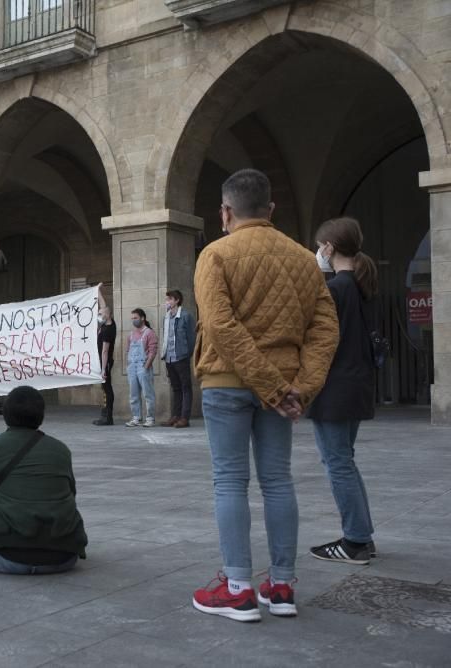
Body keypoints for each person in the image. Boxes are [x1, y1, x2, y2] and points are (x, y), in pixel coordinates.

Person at [191, 169, 338, 622]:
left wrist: (267, 385)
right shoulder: (302, 260)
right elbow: (325, 329)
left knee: (230, 481)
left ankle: (236, 588)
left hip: (227, 383)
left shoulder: (214, 255)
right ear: (271, 210)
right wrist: (299, 388)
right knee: (278, 480)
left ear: (225, 212)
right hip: (284, 390)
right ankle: (282, 586)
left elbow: (220, 326)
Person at [0, 386, 88, 574]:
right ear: (41, 415)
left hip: (10, 557)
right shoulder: (61, 450)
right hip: (64, 557)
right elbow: (70, 497)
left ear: (6, 413)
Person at [307, 217, 379, 565]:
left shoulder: (336, 289)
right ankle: (362, 536)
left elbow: (319, 340)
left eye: (320, 246)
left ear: (330, 248)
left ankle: (355, 541)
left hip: (335, 388)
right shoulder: (359, 285)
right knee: (345, 462)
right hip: (356, 385)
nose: (318, 252)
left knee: (337, 463)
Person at [160, 290, 197, 428]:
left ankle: (184, 417)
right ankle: (175, 416)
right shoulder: (166, 317)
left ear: (176, 300)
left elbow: (192, 337)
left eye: (169, 299)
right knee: (176, 388)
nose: (167, 302)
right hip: (169, 357)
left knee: (186, 387)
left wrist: (187, 353)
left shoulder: (186, 316)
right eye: (166, 299)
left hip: (181, 357)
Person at [125, 308, 157, 428]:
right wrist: (128, 365)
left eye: (136, 318)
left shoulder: (149, 333)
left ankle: (150, 418)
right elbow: (128, 350)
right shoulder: (131, 334)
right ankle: (136, 417)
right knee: (133, 394)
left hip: (143, 366)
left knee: (148, 394)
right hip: (132, 366)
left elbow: (153, 351)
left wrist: (146, 366)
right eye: (132, 318)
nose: (134, 320)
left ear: (142, 318)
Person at [93, 306, 117, 426]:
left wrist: (103, 369)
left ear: (107, 315)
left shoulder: (108, 330)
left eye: (101, 314)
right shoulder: (108, 323)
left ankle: (108, 417)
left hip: (105, 362)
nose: (99, 315)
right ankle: (105, 415)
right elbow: (104, 305)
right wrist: (99, 289)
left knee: (107, 388)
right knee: (104, 388)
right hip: (103, 362)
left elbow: (105, 351)